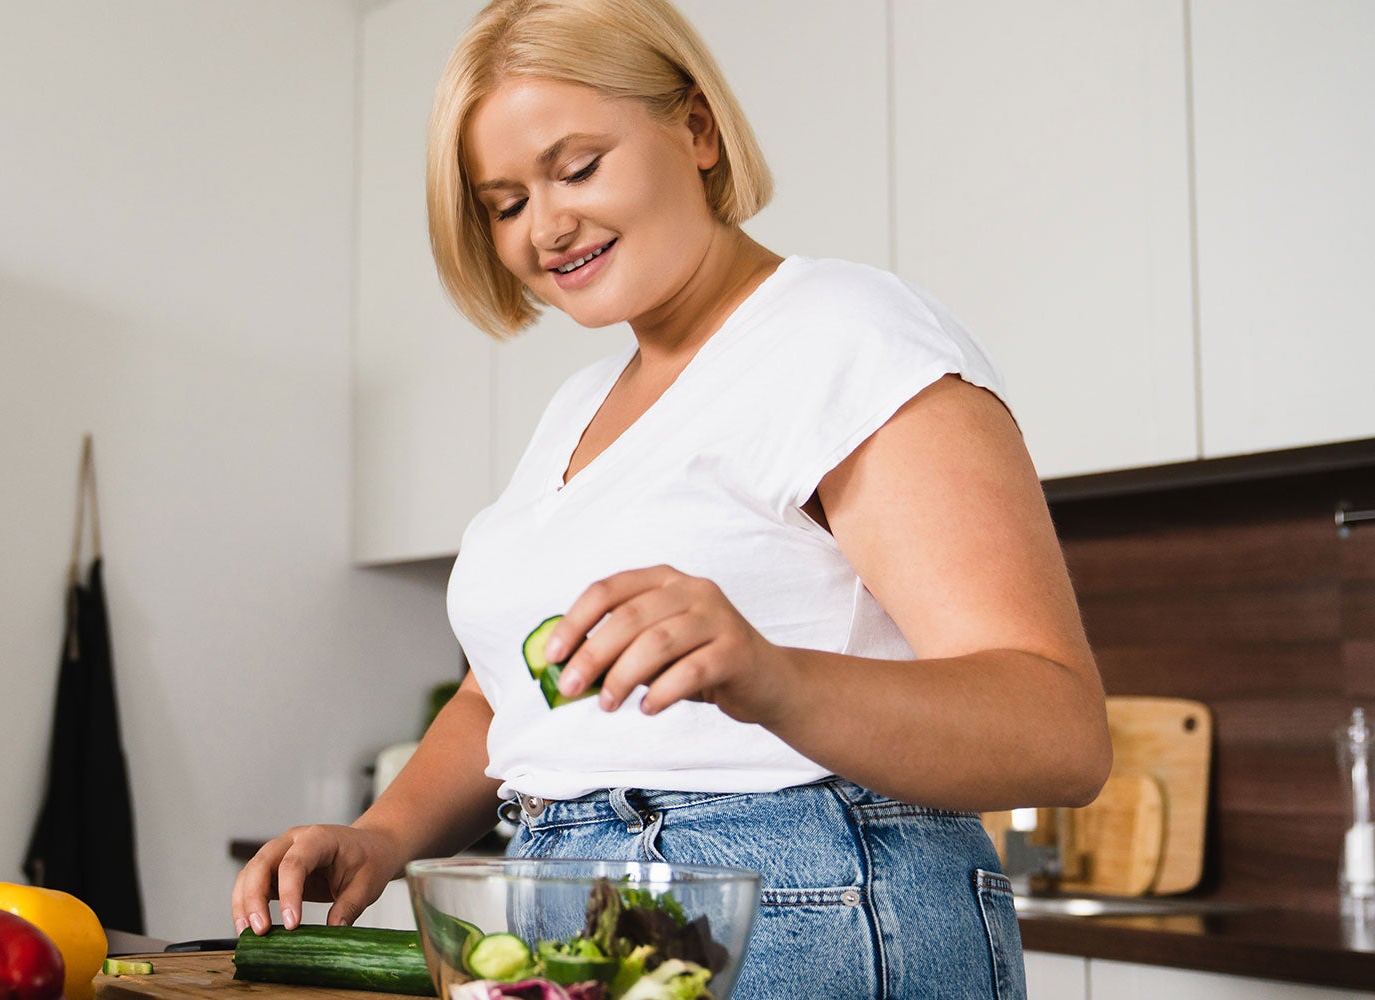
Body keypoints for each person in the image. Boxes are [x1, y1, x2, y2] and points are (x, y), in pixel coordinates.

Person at [234, 0, 1110, 994]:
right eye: (504, 201)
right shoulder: (575, 409)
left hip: (798, 911)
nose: (545, 226)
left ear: (695, 128)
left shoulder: (847, 338)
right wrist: (381, 835)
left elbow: (1057, 730)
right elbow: (505, 693)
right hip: (568, 916)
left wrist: (771, 675)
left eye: (576, 167)